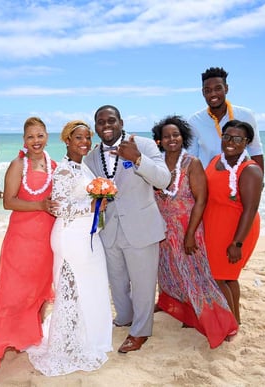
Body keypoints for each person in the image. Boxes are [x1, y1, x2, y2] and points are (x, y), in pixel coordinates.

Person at [26, 120, 113, 375]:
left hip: (88, 235)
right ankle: (68, 342)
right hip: (70, 236)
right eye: (79, 138)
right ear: (67, 140)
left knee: (91, 286)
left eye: (88, 138)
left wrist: (99, 200)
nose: (85, 142)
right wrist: (93, 207)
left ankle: (91, 337)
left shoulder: (83, 167)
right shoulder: (64, 171)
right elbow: (59, 208)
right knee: (71, 289)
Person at [84, 105, 170, 353]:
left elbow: (164, 180)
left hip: (141, 227)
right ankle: (125, 318)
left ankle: (140, 331)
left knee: (143, 284)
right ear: (96, 126)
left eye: (111, 120)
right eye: (101, 122)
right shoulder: (91, 157)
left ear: (121, 122)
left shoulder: (143, 145)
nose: (106, 126)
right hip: (110, 229)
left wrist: (138, 159)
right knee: (117, 282)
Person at [151, 115, 238, 348]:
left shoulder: (192, 163)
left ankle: (220, 323)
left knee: (197, 277)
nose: (172, 139)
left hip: (188, 227)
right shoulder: (156, 164)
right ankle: (183, 313)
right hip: (163, 229)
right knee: (170, 273)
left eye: (176, 135)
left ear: (183, 138)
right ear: (159, 140)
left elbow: (201, 200)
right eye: (167, 136)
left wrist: (190, 234)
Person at [0, 117, 57, 372]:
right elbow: (9, 202)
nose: (36, 141)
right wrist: (39, 205)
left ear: (47, 136)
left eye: (40, 135)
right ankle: (7, 338)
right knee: (15, 291)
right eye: (30, 137)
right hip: (22, 238)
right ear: (24, 140)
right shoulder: (18, 165)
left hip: (47, 239)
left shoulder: (54, 166)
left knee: (40, 288)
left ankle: (32, 336)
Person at [203, 120, 263, 324]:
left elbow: (250, 209)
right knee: (225, 276)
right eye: (227, 136)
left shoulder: (250, 170)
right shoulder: (214, 161)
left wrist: (237, 243)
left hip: (237, 229)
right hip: (214, 226)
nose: (230, 142)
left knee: (221, 276)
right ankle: (233, 318)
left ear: (246, 142)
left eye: (237, 139)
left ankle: (232, 321)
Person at [188, 67, 264, 173]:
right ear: (203, 93)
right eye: (208, 90)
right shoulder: (195, 121)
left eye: (218, 88)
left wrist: (259, 182)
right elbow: (192, 158)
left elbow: (255, 150)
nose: (213, 94)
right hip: (208, 181)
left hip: (240, 178)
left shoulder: (246, 115)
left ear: (226, 88)